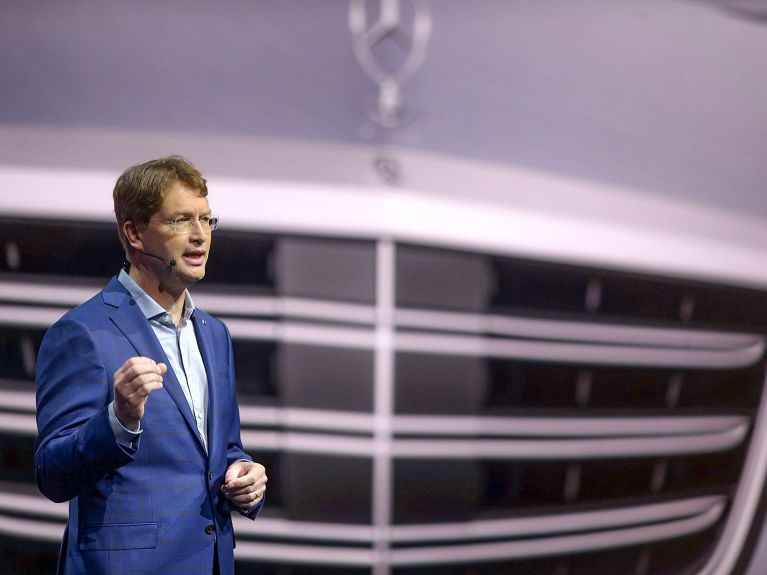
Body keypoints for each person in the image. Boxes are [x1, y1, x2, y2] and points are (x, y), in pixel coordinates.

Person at [34, 156, 267, 575]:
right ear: (135, 233)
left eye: (207, 221)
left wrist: (245, 475)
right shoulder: (82, 333)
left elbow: (222, 450)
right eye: (180, 221)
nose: (200, 236)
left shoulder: (214, 335)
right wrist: (119, 418)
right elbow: (53, 474)